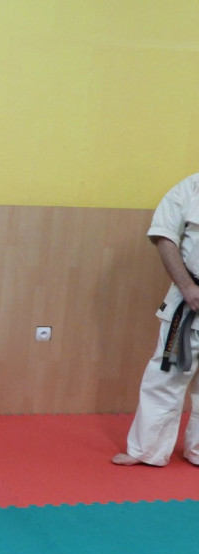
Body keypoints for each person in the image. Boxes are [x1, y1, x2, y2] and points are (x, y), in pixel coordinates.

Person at [112, 173, 199, 467]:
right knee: (166, 375)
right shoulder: (190, 188)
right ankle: (147, 450)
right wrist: (187, 288)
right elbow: (164, 236)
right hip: (189, 300)